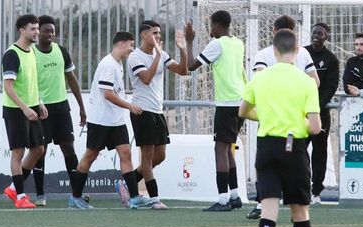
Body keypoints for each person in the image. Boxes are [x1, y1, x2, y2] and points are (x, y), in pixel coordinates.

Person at [240, 28, 335, 227]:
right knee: (299, 211)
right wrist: (297, 121)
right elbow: (315, 127)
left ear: (273, 51)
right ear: (297, 51)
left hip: (266, 147)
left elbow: (243, 111)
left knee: (268, 210)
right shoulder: (306, 81)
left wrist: (268, 116)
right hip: (293, 147)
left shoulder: (261, 77)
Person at [246, 16, 318, 220]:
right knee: (299, 204)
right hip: (296, 125)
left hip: (271, 123)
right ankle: (301, 205)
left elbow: (258, 81)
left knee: (268, 178)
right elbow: (315, 81)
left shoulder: (264, 54)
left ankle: (263, 204)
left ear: (274, 33)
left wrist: (271, 104)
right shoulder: (302, 53)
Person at [69, 32, 148, 210]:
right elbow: (108, 94)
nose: (132, 49)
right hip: (101, 120)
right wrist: (130, 106)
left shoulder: (118, 64)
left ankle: (134, 197)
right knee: (90, 156)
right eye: (131, 45)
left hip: (116, 120)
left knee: (125, 154)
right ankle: (75, 197)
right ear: (121, 44)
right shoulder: (108, 64)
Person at [186, 11, 247, 212]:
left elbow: (191, 66)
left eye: (211, 25)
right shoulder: (238, 43)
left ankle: (222, 200)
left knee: (220, 149)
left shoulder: (217, 44)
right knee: (228, 148)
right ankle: (235, 196)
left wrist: (189, 42)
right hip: (241, 102)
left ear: (219, 26)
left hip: (227, 103)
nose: (210, 29)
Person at [127, 20, 191, 210]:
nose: (158, 36)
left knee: (160, 156)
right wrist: (157, 55)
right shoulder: (135, 56)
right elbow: (146, 79)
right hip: (142, 111)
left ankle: (128, 182)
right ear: (144, 35)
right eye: (154, 33)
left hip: (157, 111)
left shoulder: (161, 54)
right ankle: (154, 198)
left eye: (159, 33)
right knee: (146, 157)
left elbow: (183, 71)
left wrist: (182, 50)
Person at [29, 15, 88, 207]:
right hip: (41, 109)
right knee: (40, 151)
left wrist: (81, 107)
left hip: (61, 108)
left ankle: (77, 194)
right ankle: (40, 195)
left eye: (52, 31)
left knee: (68, 148)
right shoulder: (31, 53)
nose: (50, 34)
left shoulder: (61, 51)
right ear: (38, 32)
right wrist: (36, 103)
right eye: (46, 31)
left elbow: (71, 79)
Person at [0, 14, 48, 209]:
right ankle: (20, 196)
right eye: (33, 29)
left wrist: (39, 102)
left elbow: (31, 82)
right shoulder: (11, 54)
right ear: (22, 30)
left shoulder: (32, 51)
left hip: (32, 106)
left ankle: (13, 188)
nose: (37, 32)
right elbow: (8, 87)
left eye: (37, 28)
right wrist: (24, 108)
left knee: (38, 149)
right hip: (16, 109)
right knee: (18, 153)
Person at [305, 22, 341, 203]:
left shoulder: (331, 59)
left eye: (320, 33)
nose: (316, 36)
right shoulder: (302, 53)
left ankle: (316, 191)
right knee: (297, 148)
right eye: (314, 32)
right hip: (300, 111)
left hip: (320, 112)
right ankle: (297, 185)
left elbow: (331, 87)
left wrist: (316, 106)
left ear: (326, 37)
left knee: (319, 151)